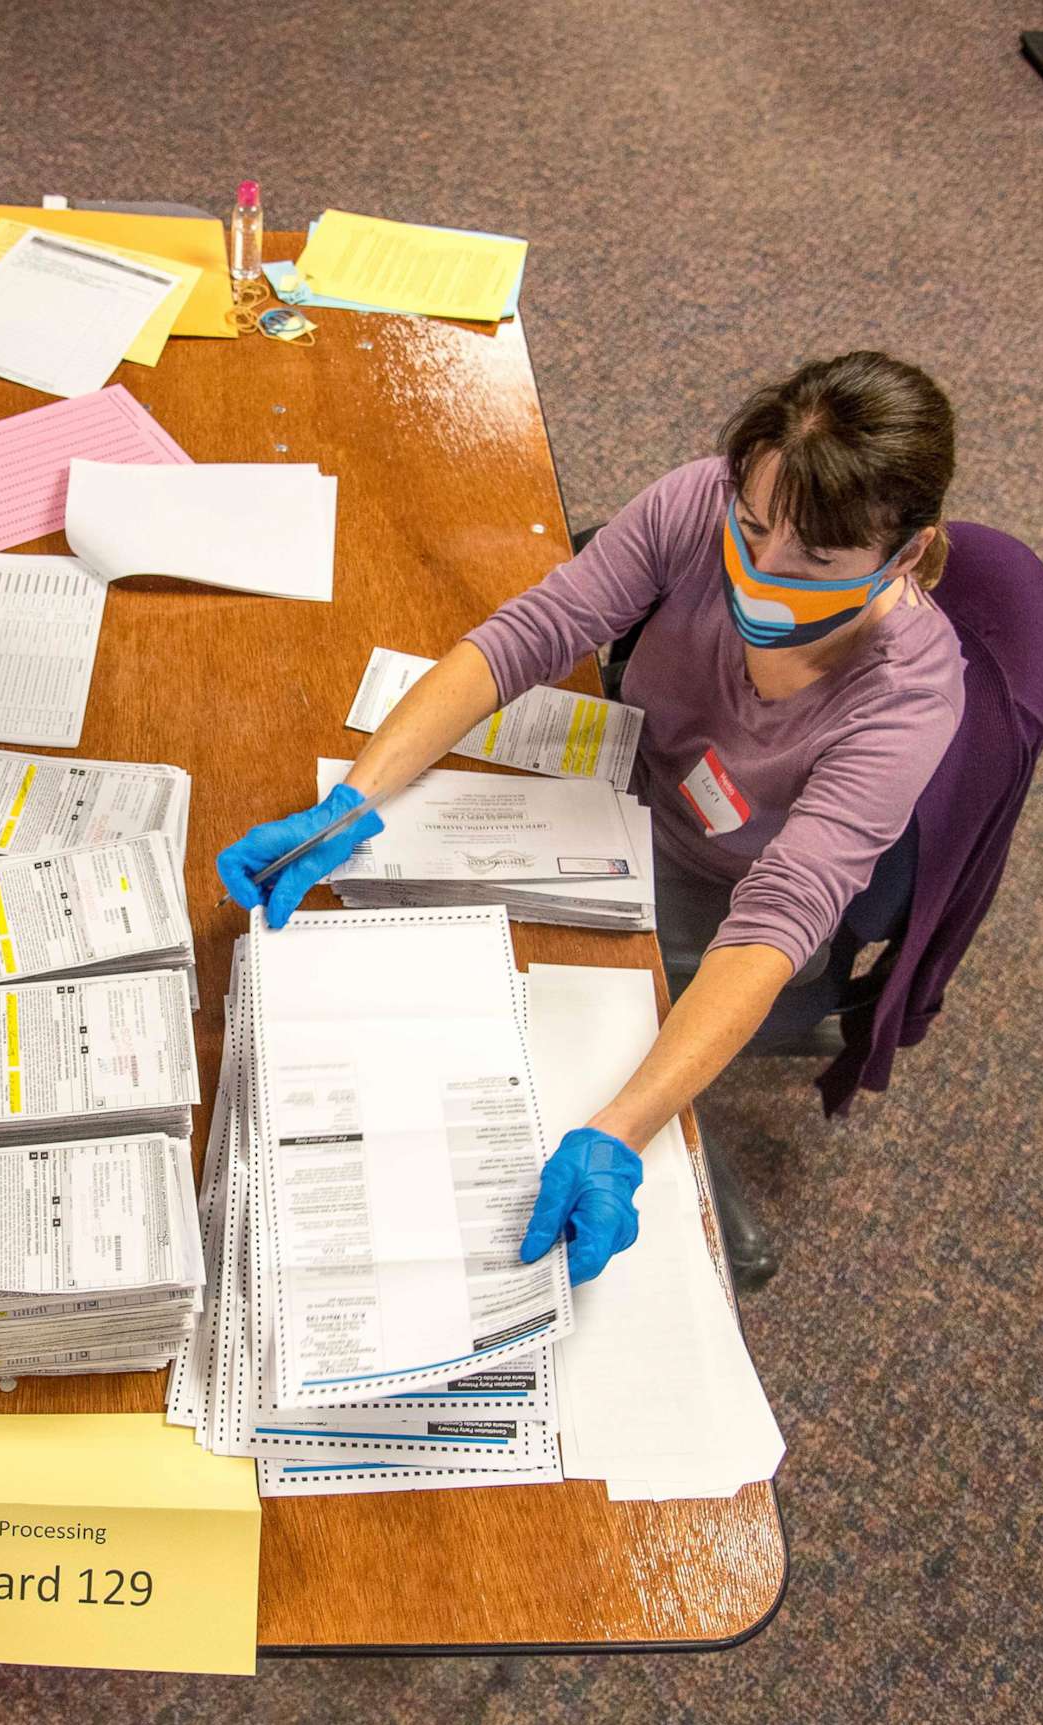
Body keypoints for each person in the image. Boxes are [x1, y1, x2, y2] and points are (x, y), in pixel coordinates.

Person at [218, 351, 968, 1284]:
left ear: (906, 554)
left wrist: (621, 1130)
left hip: (727, 891)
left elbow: (782, 914)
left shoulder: (907, 697)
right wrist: (354, 798)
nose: (763, 571)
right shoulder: (699, 505)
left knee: (478, 999)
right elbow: (532, 632)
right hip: (612, 801)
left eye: (815, 557)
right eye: (754, 525)